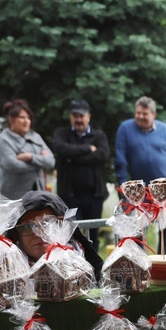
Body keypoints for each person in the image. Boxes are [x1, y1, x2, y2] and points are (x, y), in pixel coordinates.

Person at [115, 96, 166, 254]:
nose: (140, 117)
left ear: (153, 114)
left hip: (163, 193)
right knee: (137, 231)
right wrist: (125, 185)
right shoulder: (125, 128)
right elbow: (120, 158)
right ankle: (141, 265)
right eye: (138, 113)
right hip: (136, 193)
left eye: (144, 114)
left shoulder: (165, 130)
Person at [52, 99, 110, 252]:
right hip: (70, 196)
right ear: (70, 117)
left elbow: (102, 155)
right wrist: (88, 148)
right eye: (75, 116)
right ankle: (76, 271)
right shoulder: (61, 133)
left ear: (88, 116)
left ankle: (96, 270)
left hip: (94, 196)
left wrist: (73, 158)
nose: (78, 119)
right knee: (73, 235)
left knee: (94, 234)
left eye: (81, 116)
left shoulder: (99, 135)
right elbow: (61, 149)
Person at [5, 191, 103, 279]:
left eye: (48, 224)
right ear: (16, 235)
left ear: (64, 227)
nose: (39, 233)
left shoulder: (83, 266)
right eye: (27, 227)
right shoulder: (6, 274)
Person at [0, 99, 56, 200]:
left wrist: (30, 157)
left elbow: (51, 162)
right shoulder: (3, 139)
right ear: (11, 119)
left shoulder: (35, 136)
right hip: (13, 197)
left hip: (38, 193)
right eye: (22, 117)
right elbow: (13, 165)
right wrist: (41, 162)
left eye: (28, 118)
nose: (26, 121)